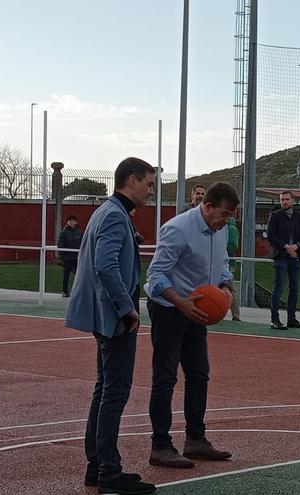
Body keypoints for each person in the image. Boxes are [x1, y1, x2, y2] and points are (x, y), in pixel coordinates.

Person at [64, 157, 157, 495]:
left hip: (104, 313)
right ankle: (108, 471)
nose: (151, 191)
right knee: (113, 392)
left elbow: (107, 262)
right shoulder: (116, 216)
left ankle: (98, 465)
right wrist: (126, 309)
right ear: (131, 180)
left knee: (104, 389)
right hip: (114, 314)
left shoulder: (107, 212)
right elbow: (106, 266)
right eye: (148, 184)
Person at [144, 182, 240, 469]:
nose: (225, 222)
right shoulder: (177, 229)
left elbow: (222, 263)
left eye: (230, 217)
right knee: (165, 378)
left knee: (199, 374)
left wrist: (225, 287)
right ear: (207, 206)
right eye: (223, 214)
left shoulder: (220, 230)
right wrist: (181, 302)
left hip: (196, 311)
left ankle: (195, 439)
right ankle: (160, 445)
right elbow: (156, 276)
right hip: (169, 310)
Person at [266, 190, 300, 330]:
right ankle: (275, 319)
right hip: (281, 257)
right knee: (279, 287)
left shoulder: (299, 217)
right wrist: (286, 247)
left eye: (286, 199)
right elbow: (271, 236)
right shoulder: (275, 216)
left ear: (293, 201)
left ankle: (292, 318)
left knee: (295, 289)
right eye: (282, 200)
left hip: (295, 258)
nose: (284, 202)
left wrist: (296, 246)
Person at [58, 214, 83, 297]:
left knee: (79, 275)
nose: (73, 222)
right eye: (71, 221)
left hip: (77, 258)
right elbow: (60, 245)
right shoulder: (64, 232)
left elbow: (82, 243)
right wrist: (63, 257)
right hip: (67, 258)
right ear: (68, 222)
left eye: (74, 221)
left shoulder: (79, 231)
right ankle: (65, 291)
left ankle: (78, 291)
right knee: (66, 275)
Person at [226, 216, 241, 321]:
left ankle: (235, 315)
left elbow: (233, 246)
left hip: (228, 263)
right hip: (223, 262)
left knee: (230, 288)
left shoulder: (231, 229)